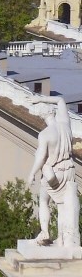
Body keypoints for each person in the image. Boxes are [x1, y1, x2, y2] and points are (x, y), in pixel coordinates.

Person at [30, 95, 81, 248]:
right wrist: (42, 98)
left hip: (53, 172)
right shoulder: (65, 125)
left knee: (44, 201)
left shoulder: (44, 134)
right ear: (53, 112)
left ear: (42, 116)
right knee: (63, 205)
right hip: (69, 170)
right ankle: (62, 238)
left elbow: (40, 157)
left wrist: (32, 173)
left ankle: (45, 231)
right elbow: (60, 100)